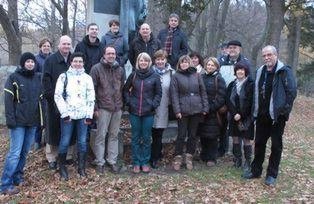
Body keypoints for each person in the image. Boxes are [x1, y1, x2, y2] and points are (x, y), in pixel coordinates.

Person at [243, 45, 297, 186]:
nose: (267, 58)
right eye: (264, 55)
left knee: (276, 146)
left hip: (277, 117)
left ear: (276, 55)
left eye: (269, 55)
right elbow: (256, 91)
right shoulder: (260, 71)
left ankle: (272, 175)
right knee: (259, 144)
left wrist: (284, 112)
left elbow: (291, 92)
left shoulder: (284, 71)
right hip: (261, 115)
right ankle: (256, 171)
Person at [1, 52, 43, 195]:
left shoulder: (38, 78)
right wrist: (10, 120)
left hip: (32, 123)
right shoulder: (14, 78)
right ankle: (5, 184)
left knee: (24, 152)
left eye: (32, 61)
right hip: (18, 123)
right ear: (23, 63)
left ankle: (17, 177)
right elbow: (8, 101)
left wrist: (41, 120)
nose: (30, 64)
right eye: (28, 61)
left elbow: (41, 101)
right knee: (14, 153)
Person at [54, 52, 95, 180]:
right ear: (71, 62)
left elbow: (91, 97)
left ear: (83, 63)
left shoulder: (87, 78)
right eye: (75, 61)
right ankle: (62, 168)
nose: (77, 64)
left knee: (82, 142)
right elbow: (58, 95)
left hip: (83, 115)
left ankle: (81, 168)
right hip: (68, 116)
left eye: (80, 61)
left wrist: (89, 115)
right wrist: (64, 113)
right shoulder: (63, 76)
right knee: (65, 141)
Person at [123, 52, 162, 173]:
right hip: (134, 112)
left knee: (146, 138)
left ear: (149, 62)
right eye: (141, 60)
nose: (143, 62)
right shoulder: (133, 75)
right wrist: (129, 102)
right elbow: (125, 91)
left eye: (145, 60)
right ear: (138, 62)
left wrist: (153, 105)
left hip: (148, 113)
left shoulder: (154, 76)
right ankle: (136, 162)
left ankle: (144, 162)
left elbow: (158, 93)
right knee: (135, 138)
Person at [90, 46, 125, 174]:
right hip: (103, 107)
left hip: (117, 107)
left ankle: (112, 161)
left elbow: (122, 88)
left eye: (113, 53)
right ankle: (100, 162)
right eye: (109, 53)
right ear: (104, 55)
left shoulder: (120, 70)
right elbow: (91, 89)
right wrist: (95, 108)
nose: (111, 55)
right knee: (101, 135)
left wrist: (122, 105)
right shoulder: (96, 69)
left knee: (114, 135)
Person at [170, 55, 208, 171]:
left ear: (190, 63)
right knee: (181, 135)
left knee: (192, 135)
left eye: (186, 62)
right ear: (179, 64)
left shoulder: (196, 75)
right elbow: (174, 95)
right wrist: (177, 110)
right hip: (183, 110)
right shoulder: (176, 76)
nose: (184, 64)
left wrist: (205, 107)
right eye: (182, 62)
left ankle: (189, 157)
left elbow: (203, 91)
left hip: (196, 109)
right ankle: (178, 157)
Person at [42, 35, 74, 170]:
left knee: (69, 129)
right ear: (59, 45)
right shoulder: (50, 60)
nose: (66, 46)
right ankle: (52, 157)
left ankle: (67, 156)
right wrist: (51, 97)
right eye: (64, 44)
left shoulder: (74, 59)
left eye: (68, 44)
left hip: (72, 102)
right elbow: (45, 80)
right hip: (54, 101)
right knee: (52, 129)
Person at [217, 40, 251, 158]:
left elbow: (249, 79)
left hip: (238, 100)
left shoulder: (245, 62)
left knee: (239, 126)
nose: (232, 50)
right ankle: (222, 149)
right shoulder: (221, 61)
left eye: (234, 48)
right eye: (230, 47)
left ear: (239, 49)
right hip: (223, 98)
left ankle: (238, 154)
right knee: (222, 125)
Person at [198, 57, 226, 167]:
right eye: (208, 65)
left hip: (213, 112)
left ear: (216, 67)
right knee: (203, 135)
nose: (210, 67)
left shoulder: (219, 79)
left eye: (212, 65)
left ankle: (212, 157)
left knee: (212, 136)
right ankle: (204, 155)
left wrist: (210, 108)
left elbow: (221, 96)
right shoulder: (201, 77)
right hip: (201, 111)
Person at [227, 62, 254, 171]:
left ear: (246, 71)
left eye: (242, 69)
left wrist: (241, 114)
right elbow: (228, 100)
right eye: (238, 69)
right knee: (235, 138)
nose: (240, 71)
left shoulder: (251, 84)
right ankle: (237, 160)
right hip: (234, 117)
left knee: (247, 139)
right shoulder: (232, 85)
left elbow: (250, 101)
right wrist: (234, 114)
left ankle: (248, 162)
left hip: (247, 116)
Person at [150, 50, 174, 169]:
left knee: (158, 133)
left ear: (166, 60)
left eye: (162, 59)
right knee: (151, 132)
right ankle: (152, 155)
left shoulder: (171, 73)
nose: (160, 61)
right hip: (150, 107)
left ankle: (155, 157)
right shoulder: (149, 72)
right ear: (154, 61)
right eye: (158, 59)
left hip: (164, 107)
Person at [34, 38, 52, 150]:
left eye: (48, 46)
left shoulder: (53, 58)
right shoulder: (36, 59)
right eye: (44, 46)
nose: (46, 47)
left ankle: (47, 140)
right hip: (39, 91)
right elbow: (33, 73)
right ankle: (37, 140)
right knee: (39, 117)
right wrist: (45, 75)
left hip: (50, 90)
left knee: (49, 117)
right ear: (40, 47)